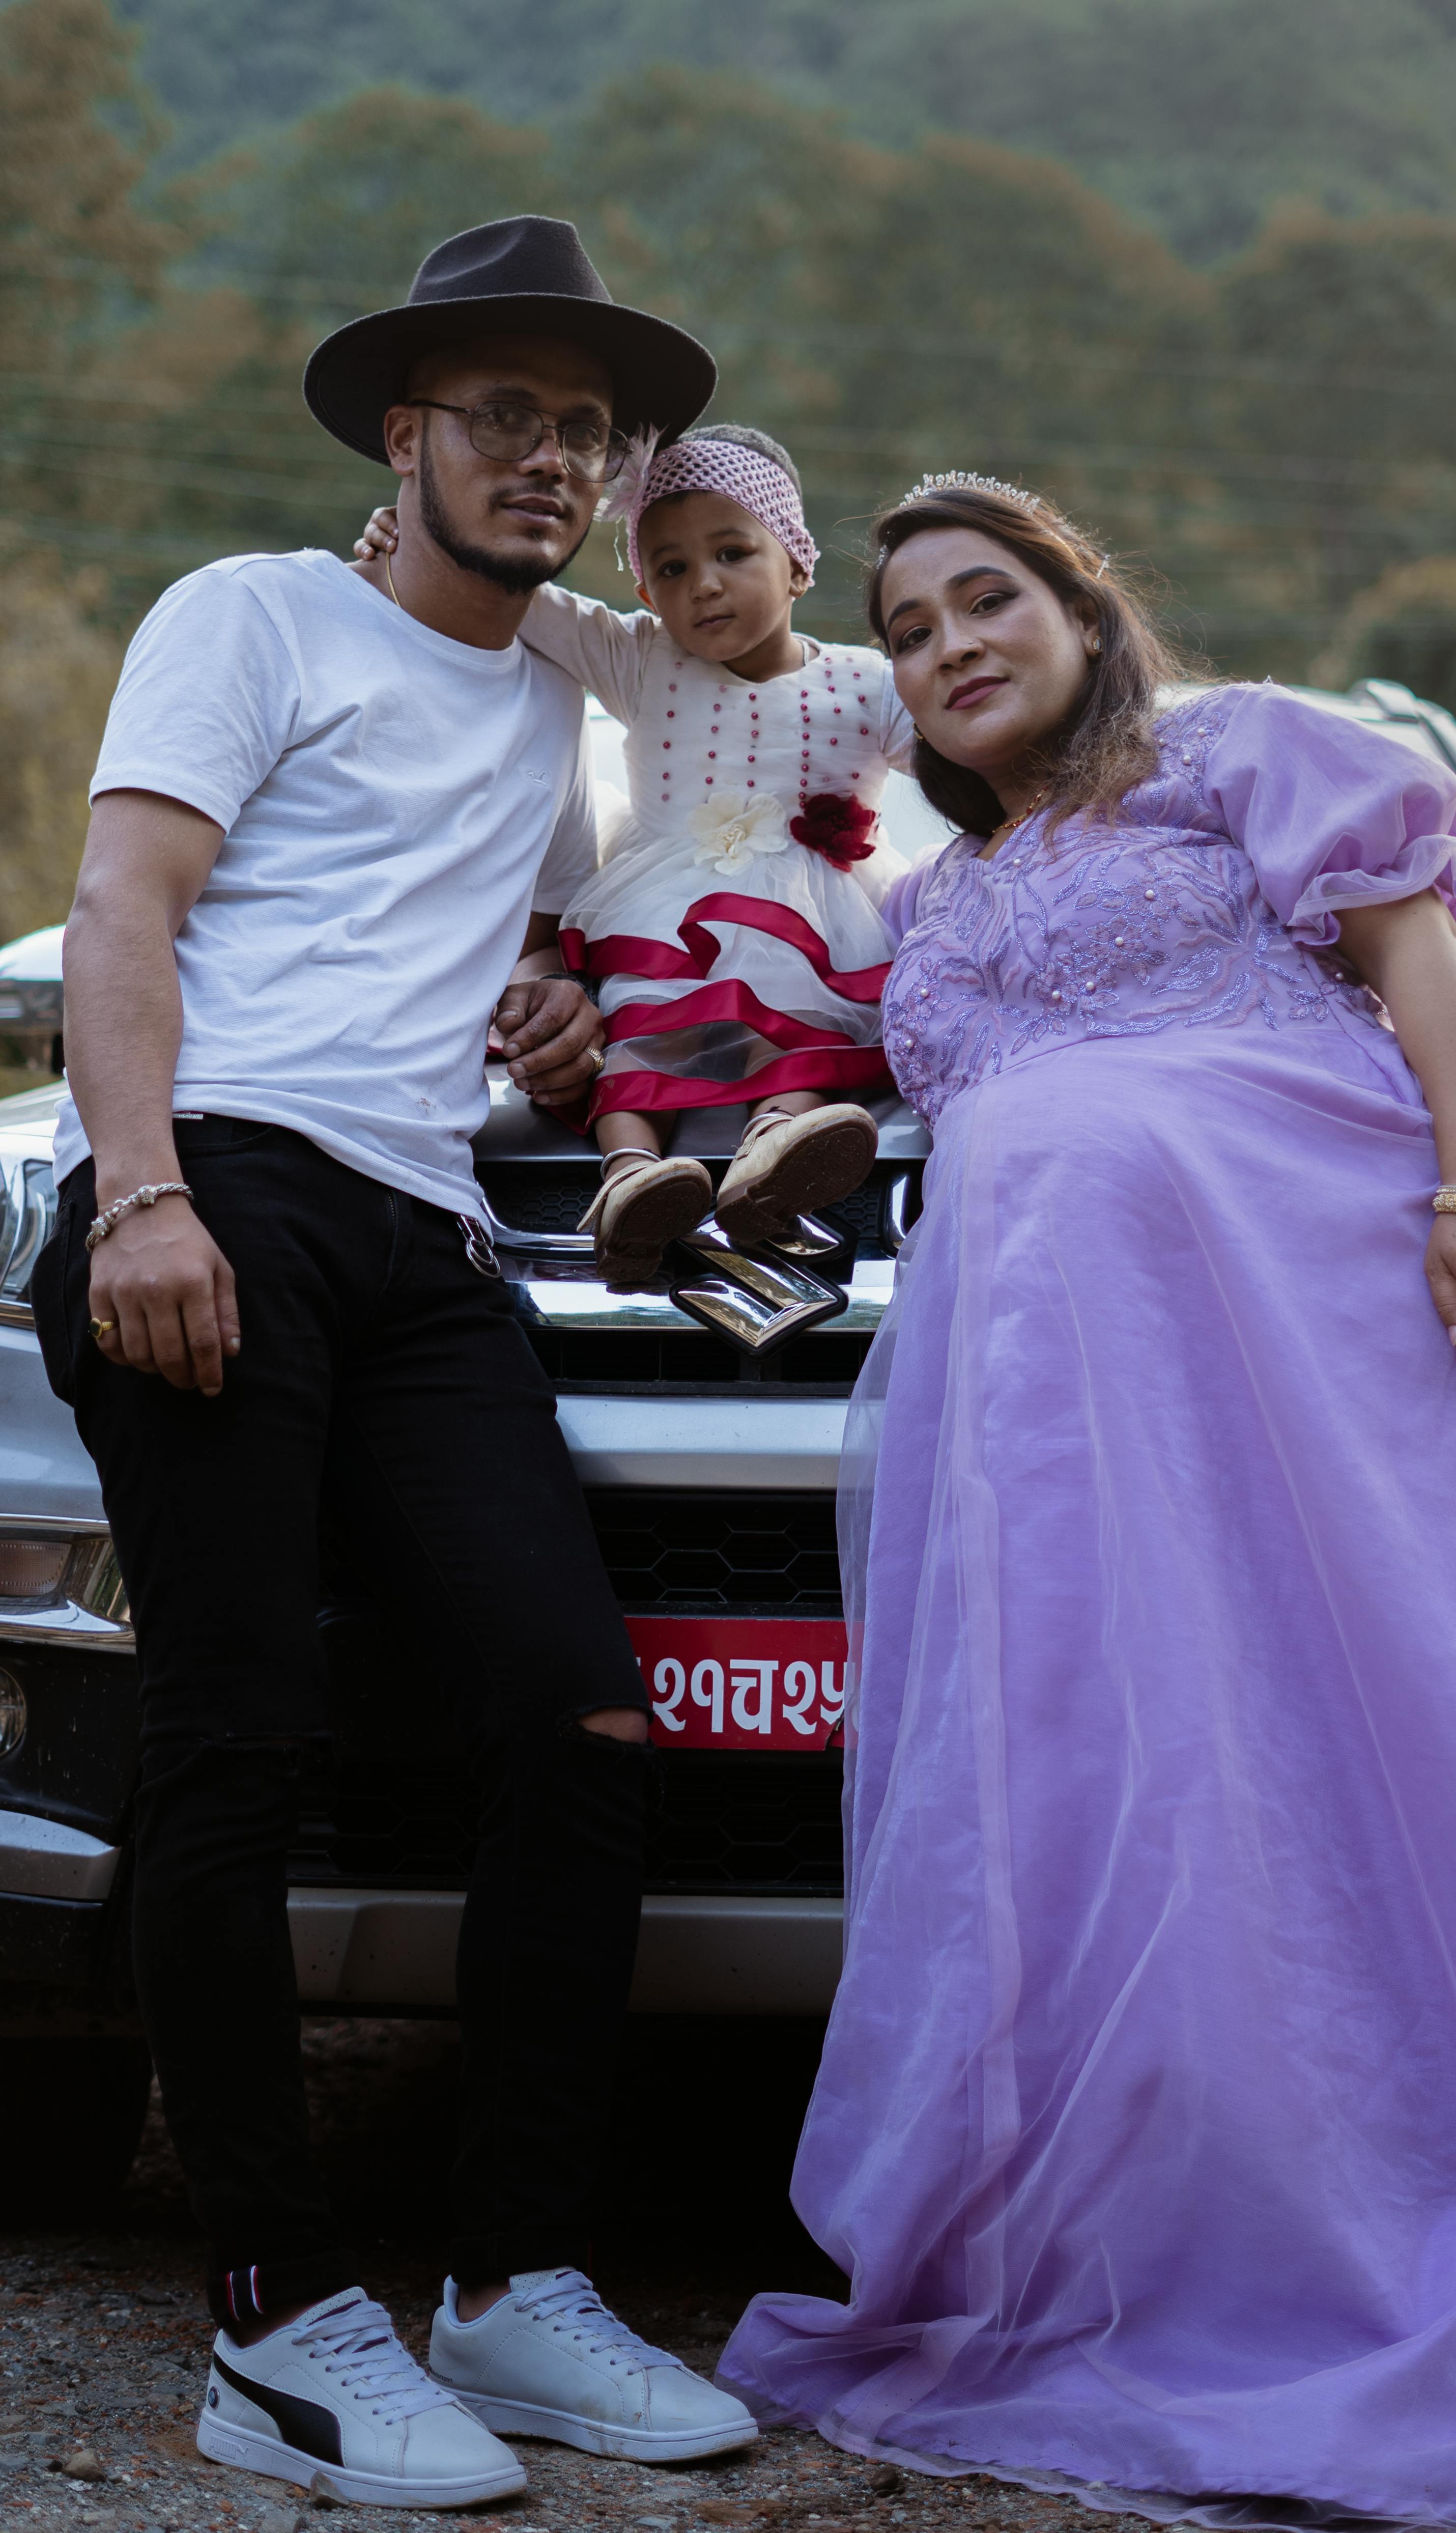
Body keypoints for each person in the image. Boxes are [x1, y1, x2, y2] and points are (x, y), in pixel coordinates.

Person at [719, 476, 1456, 2523]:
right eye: (905, 627)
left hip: (1329, 1358)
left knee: (1393, 1756)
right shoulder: (941, 909)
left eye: (989, 597)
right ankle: (1190, 2221)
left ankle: (1451, 2222)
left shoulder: (1239, 755)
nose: (950, 643)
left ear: (1082, 608)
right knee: (1168, 1799)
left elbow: (1414, 963)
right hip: (1082, 1452)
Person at [33, 216, 757, 2511]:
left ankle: (513, 2280)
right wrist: (136, 1190)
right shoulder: (251, 611)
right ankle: (277, 2307)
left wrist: (547, 1020)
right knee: (234, 1733)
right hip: (216, 1191)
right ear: (404, 431)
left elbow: (501, 967)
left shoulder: (561, 711)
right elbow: (129, 909)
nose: (554, 456)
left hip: (431, 1239)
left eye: (589, 425)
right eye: (510, 414)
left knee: (582, 1715)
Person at [358, 423, 917, 1285]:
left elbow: (964, 749)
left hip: (818, 911)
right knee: (638, 1029)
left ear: (797, 563)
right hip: (666, 902)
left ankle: (776, 1144)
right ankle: (630, 1178)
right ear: (647, 593)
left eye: (733, 553)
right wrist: (411, 541)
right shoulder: (642, 662)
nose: (704, 586)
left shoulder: (868, 682)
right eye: (671, 569)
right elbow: (526, 598)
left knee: (804, 1017)